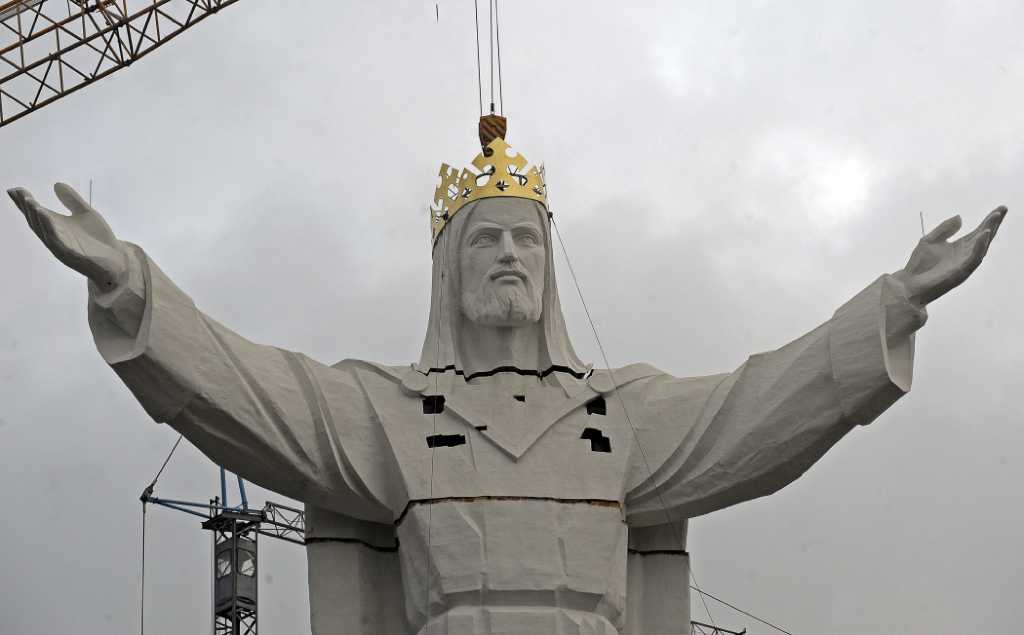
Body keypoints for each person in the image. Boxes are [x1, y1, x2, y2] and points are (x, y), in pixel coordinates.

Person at [6, 135, 1006, 634]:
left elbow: (762, 403)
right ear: (448, 269)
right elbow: (253, 389)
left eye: (526, 237)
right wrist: (134, 285)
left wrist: (891, 303)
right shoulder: (387, 410)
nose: (508, 254)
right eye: (484, 237)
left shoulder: (621, 414)